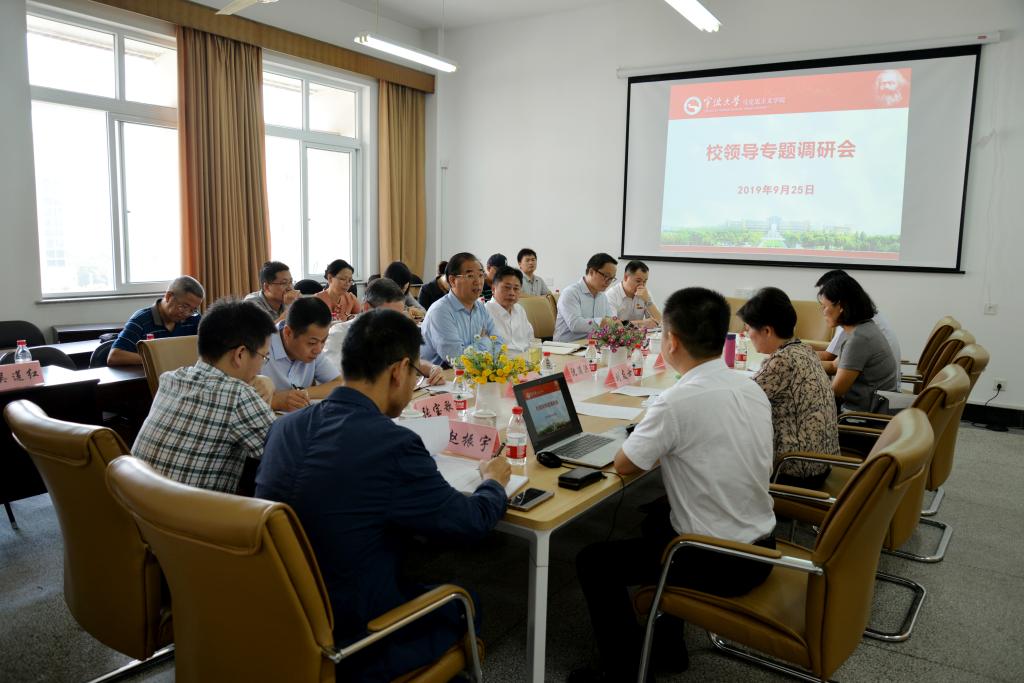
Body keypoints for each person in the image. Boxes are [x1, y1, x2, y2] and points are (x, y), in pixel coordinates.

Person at [255, 309, 510, 681]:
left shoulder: (285, 428)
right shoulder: (392, 443)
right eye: (415, 374)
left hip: (279, 623)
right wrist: (493, 482)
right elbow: (471, 523)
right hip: (356, 639)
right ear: (399, 370)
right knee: (464, 603)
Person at [572, 288, 775, 682]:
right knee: (656, 519)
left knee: (594, 562)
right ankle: (668, 645)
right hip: (762, 546)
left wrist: (648, 433)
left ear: (672, 341)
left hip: (716, 559)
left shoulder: (676, 400)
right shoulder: (750, 387)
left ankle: (623, 671)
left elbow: (625, 465)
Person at [132, 298, 277, 494]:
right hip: (188, 511)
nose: (261, 366)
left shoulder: (170, 379)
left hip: (136, 503)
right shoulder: (237, 396)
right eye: (264, 356)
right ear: (240, 354)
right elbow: (288, 454)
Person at [738, 287, 840, 488]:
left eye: (748, 328)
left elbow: (739, 402)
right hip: (820, 462)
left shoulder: (783, 361)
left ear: (767, 331)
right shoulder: (804, 349)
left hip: (795, 470)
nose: (746, 333)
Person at [324, 278, 444, 384]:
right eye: (389, 316)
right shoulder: (339, 334)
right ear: (367, 308)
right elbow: (338, 380)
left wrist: (431, 369)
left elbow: (411, 363)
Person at [818, 274, 899, 412]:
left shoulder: (859, 339)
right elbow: (834, 365)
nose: (822, 312)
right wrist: (800, 362)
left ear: (841, 306)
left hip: (862, 417)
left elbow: (835, 391)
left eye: (824, 306)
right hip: (874, 408)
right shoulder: (865, 328)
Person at [261, 296, 344, 412]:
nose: (318, 349)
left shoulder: (315, 347)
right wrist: (275, 401)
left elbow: (339, 383)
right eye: (312, 343)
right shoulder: (260, 347)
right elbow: (238, 396)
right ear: (288, 333)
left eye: (323, 341)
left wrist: (301, 394)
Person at [419, 253, 502, 366]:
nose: (478, 281)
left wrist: (475, 348)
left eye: (481, 275)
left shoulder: (481, 308)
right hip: (443, 375)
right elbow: (457, 359)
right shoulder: (440, 312)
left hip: (477, 372)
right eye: (470, 276)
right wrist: (485, 341)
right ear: (453, 280)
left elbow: (499, 345)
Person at [107, 276, 205, 366]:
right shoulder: (141, 320)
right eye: (184, 306)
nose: (187, 314)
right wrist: (159, 359)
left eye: (193, 309)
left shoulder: (194, 319)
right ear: (169, 296)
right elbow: (114, 356)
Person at [553, 253, 618, 342]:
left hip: (592, 346)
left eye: (612, 278)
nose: (608, 282)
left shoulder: (602, 296)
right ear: (591, 272)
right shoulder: (571, 293)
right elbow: (575, 325)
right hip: (567, 346)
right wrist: (601, 322)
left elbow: (610, 321)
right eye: (606, 276)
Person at [484, 266, 534, 353]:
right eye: (507, 287)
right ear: (493, 289)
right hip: (501, 360)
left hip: (526, 358)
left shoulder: (520, 310)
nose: (512, 293)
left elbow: (531, 339)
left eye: (516, 288)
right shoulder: (485, 312)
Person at [605, 260, 662, 328]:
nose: (642, 285)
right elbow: (612, 325)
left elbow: (659, 321)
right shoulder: (611, 295)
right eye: (638, 281)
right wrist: (641, 323)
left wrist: (647, 300)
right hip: (620, 335)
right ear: (626, 277)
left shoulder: (645, 293)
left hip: (640, 334)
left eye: (645, 281)